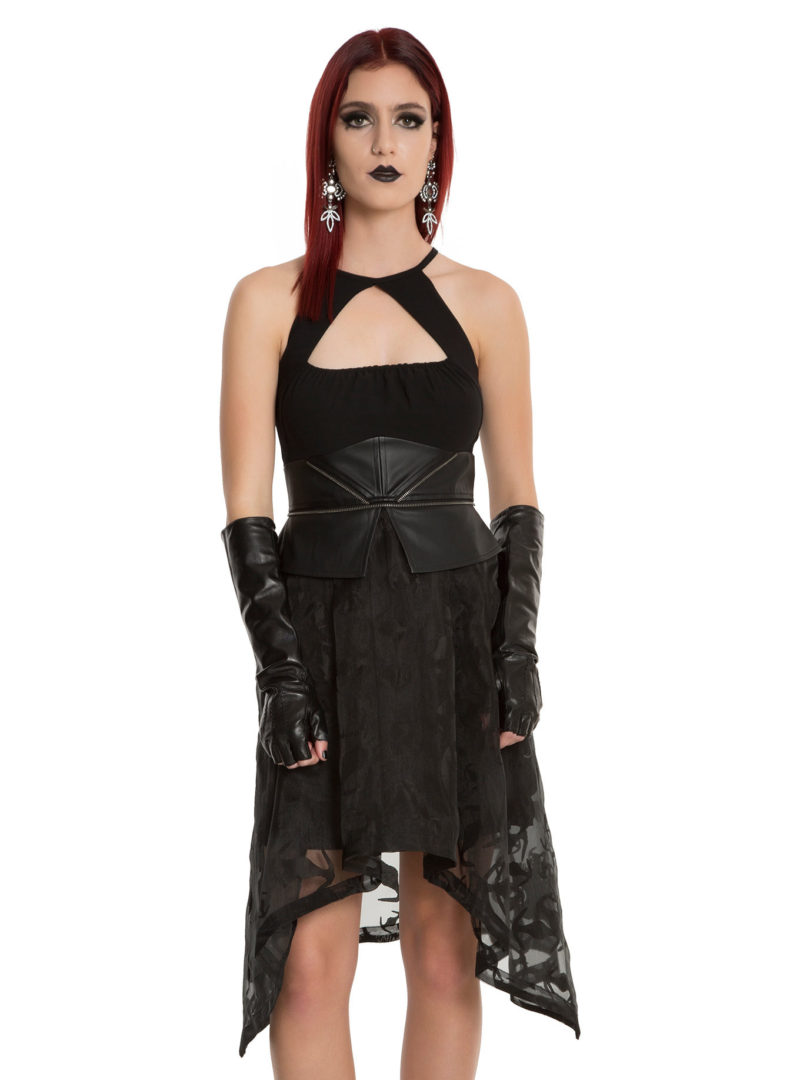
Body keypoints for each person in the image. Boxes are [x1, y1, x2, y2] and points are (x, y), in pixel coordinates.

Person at [219, 27, 580, 1078]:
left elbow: (517, 496)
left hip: (452, 640)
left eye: (408, 119)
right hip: (320, 640)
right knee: (307, 965)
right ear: (326, 142)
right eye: (359, 117)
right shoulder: (266, 301)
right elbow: (246, 506)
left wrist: (517, 654)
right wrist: (279, 673)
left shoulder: (487, 303)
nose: (384, 142)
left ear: (436, 142)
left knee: (443, 951)